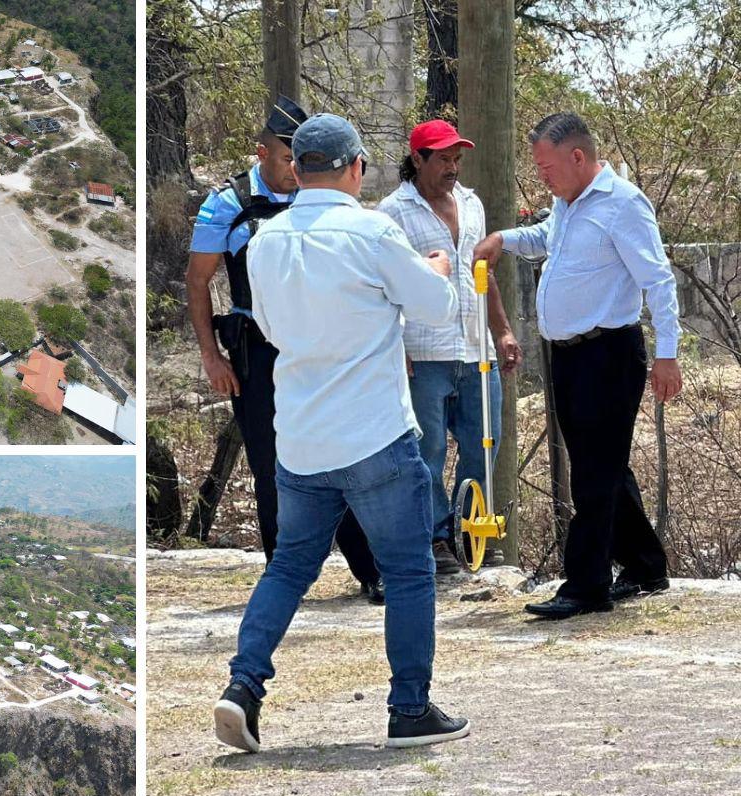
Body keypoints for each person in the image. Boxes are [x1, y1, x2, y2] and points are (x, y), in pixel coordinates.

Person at [213, 113, 470, 752]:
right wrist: (435, 266)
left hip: (300, 437)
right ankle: (409, 708)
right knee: (409, 570)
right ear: (356, 168)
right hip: (375, 432)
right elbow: (436, 308)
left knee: (290, 565)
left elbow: (267, 326)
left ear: (296, 170)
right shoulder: (372, 231)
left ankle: (244, 687)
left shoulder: (266, 241)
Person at [473, 111, 682, 620]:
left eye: (546, 166)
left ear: (578, 157)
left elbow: (659, 281)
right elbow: (547, 237)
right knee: (604, 465)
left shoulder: (624, 205)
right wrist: (504, 238)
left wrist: (668, 354)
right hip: (569, 357)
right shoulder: (567, 205)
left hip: (609, 353)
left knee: (593, 472)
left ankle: (587, 586)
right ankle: (646, 565)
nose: (541, 175)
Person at [185, 97, 384, 603]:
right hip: (257, 350)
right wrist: (212, 356)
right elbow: (199, 280)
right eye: (285, 158)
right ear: (262, 153)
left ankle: (371, 570)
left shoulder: (319, 197)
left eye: (302, 159)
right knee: (271, 465)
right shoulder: (227, 203)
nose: (296, 169)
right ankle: (286, 577)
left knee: (346, 455)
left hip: (324, 345)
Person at [378, 120, 522, 574]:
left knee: (485, 444)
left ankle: (470, 533)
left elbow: (484, 274)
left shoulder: (472, 204)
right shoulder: (391, 212)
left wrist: (502, 331)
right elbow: (384, 286)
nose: (453, 167)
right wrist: (392, 344)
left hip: (475, 349)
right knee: (429, 451)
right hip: (423, 350)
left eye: (457, 159)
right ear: (417, 159)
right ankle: (436, 540)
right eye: (443, 158)